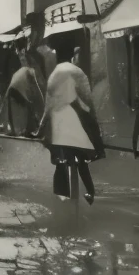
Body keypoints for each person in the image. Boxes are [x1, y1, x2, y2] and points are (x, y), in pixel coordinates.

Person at [38, 40, 104, 203]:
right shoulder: (77, 72)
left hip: (58, 122)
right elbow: (88, 100)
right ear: (72, 56)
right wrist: (94, 123)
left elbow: (48, 106)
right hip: (73, 119)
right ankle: (89, 192)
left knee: (62, 161)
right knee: (81, 160)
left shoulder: (53, 75)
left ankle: (64, 197)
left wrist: (41, 128)